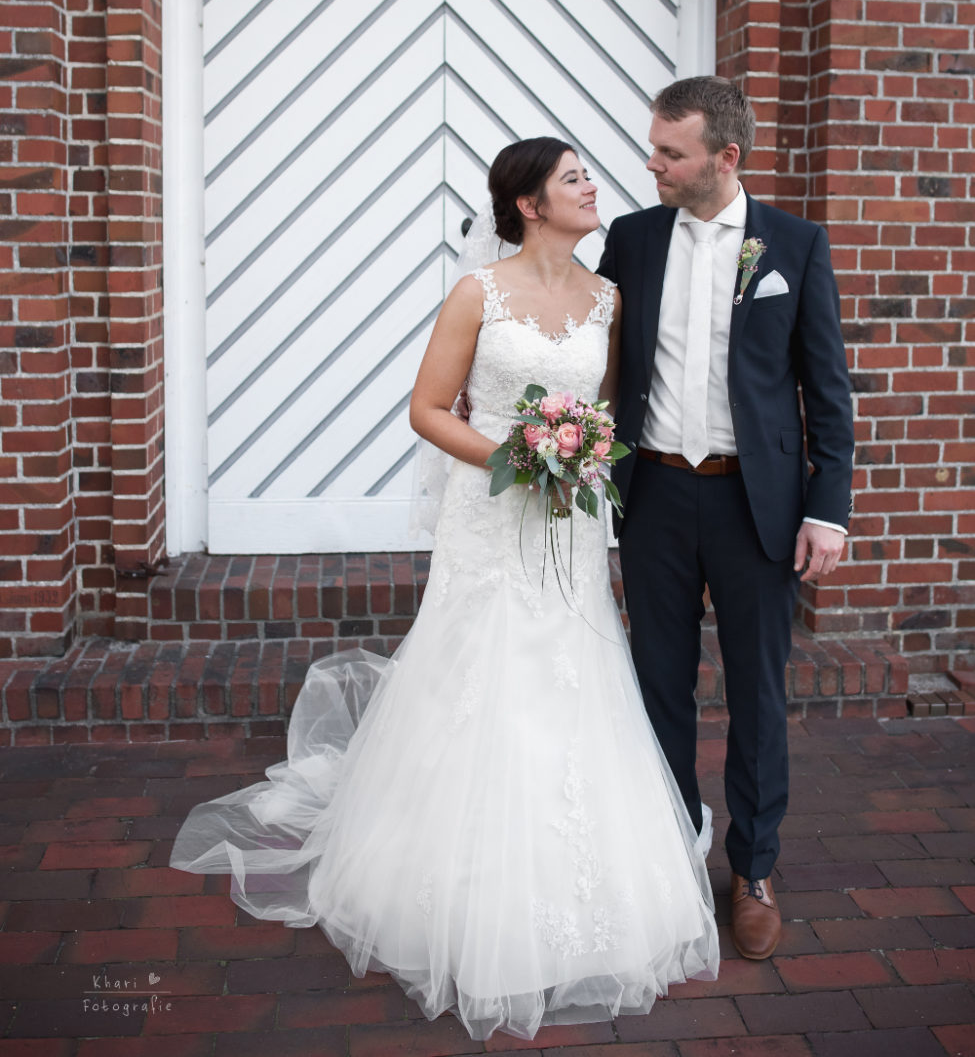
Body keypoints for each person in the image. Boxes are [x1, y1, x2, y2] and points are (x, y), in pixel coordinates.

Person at [170, 137, 719, 1042]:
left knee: (572, 665)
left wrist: (578, 455)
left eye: (587, 175)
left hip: (570, 520)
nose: (592, 186)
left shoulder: (609, 299)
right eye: (572, 178)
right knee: (483, 667)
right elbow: (427, 408)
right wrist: (521, 455)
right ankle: (458, 880)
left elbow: (606, 410)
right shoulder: (477, 293)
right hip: (493, 510)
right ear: (529, 204)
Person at [598, 76, 855, 962]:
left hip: (757, 503)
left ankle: (753, 870)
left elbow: (826, 390)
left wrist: (826, 510)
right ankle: (673, 851)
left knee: (756, 692)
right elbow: (592, 355)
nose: (652, 163)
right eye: (654, 147)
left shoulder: (793, 244)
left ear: (724, 156)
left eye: (670, 152)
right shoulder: (631, 239)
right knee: (657, 685)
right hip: (655, 496)